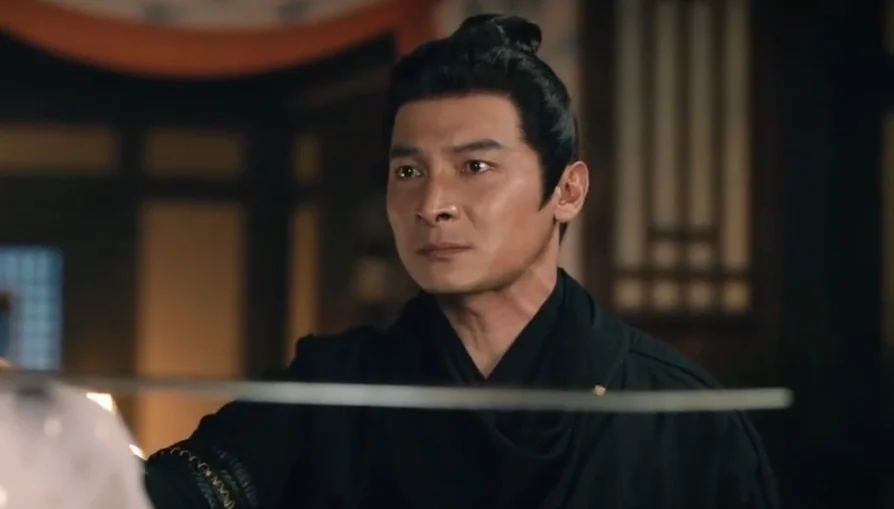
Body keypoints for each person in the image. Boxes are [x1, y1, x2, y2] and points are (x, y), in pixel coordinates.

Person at [143, 14, 778, 509]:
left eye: (475, 166)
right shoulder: (334, 388)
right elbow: (181, 491)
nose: (432, 205)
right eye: (408, 171)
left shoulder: (678, 413)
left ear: (567, 190)